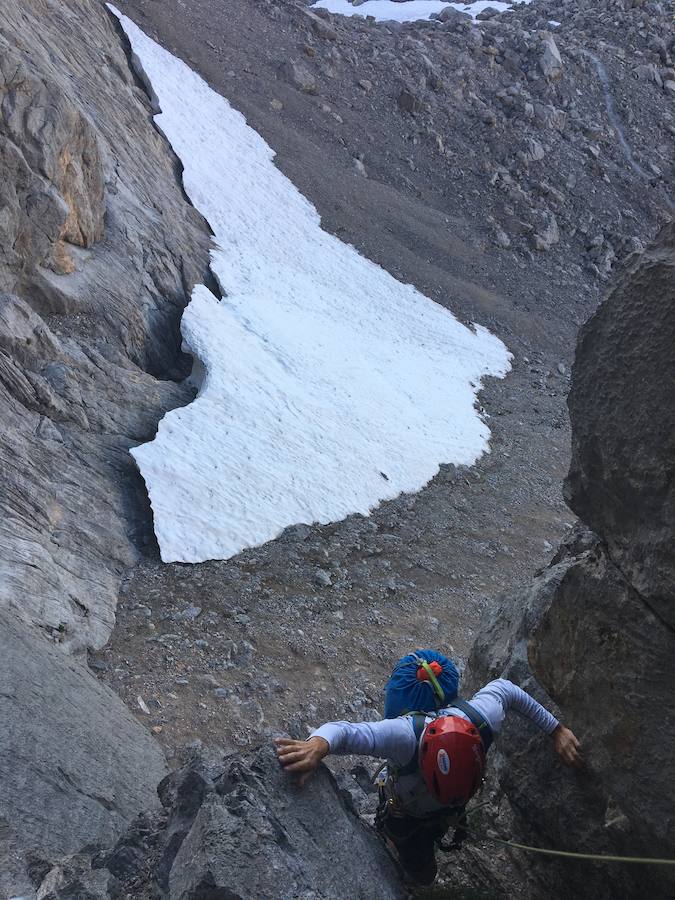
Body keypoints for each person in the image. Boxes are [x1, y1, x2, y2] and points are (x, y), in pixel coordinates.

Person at [275, 677, 582, 885]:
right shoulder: (402, 736)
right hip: (404, 814)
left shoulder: (482, 717)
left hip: (433, 809)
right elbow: (342, 730)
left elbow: (508, 688)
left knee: (425, 860)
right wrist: (317, 745)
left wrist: (557, 730)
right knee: (422, 872)